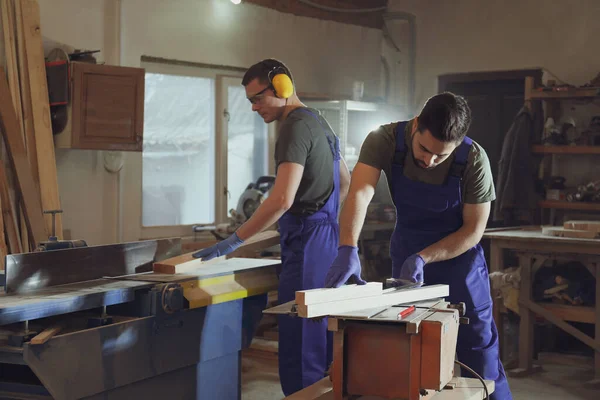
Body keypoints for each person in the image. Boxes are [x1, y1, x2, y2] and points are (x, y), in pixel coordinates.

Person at [324, 92, 512, 400]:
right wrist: (348, 248)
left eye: (441, 156)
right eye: (424, 149)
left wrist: (425, 257)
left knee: (481, 358)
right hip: (407, 253)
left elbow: (474, 230)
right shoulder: (383, 139)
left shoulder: (474, 159)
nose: (429, 160)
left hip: (459, 259)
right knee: (409, 354)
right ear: (415, 125)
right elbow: (359, 193)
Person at [192, 59, 353, 396]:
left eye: (258, 98)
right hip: (329, 243)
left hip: (309, 247)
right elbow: (345, 180)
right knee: (326, 344)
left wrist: (234, 241)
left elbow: (281, 200)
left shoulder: (293, 128)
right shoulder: (320, 122)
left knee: (300, 346)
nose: (253, 107)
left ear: (282, 87)